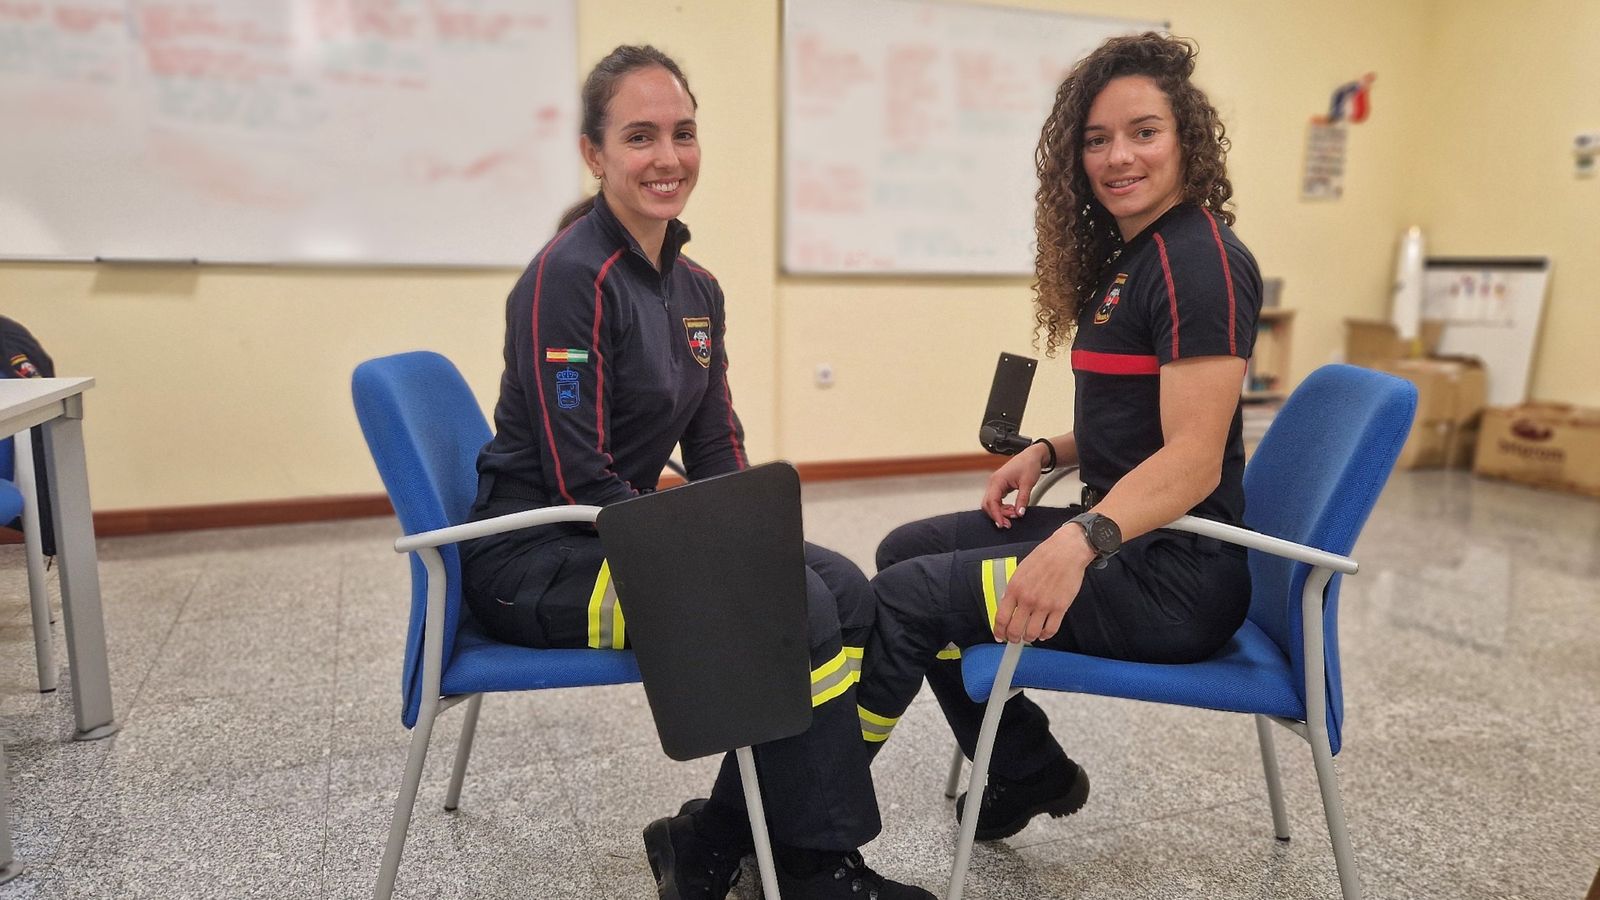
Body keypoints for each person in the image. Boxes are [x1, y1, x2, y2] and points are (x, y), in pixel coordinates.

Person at [460, 45, 933, 900]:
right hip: (537, 560)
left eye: (682, 133)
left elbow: (718, 449)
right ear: (594, 153)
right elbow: (578, 480)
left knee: (848, 594)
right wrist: (724, 560)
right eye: (639, 137)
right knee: (786, 603)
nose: (668, 158)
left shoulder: (698, 288)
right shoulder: (567, 277)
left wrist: (747, 535)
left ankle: (714, 837)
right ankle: (815, 866)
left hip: (623, 533)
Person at [856, 32, 1262, 843]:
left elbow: (1191, 454)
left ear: (1188, 138)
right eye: (1097, 139)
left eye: (1144, 132)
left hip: (1172, 576)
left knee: (905, 601)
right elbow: (1141, 414)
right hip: (1133, 540)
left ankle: (807, 820)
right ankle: (1026, 767)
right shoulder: (1140, 254)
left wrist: (1075, 544)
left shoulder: (1200, 263)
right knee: (906, 551)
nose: (1119, 157)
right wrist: (1047, 451)